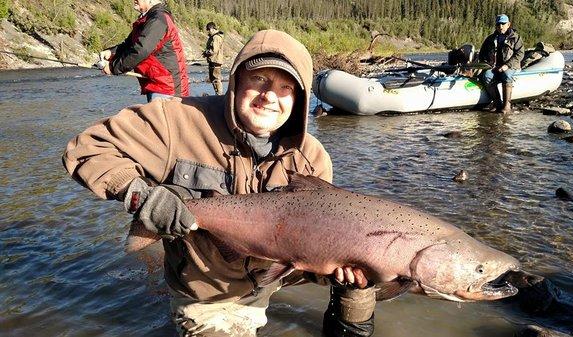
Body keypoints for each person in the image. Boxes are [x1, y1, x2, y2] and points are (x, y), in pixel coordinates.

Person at [63, 29, 375, 337]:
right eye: (259, 79)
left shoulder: (313, 159)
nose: (269, 96)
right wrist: (140, 196)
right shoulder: (180, 120)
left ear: (299, 99)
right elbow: (88, 148)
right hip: (206, 295)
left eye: (285, 87)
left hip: (274, 272)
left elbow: (313, 247)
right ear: (237, 81)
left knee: (369, 276)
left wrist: (346, 269)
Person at [98, 0, 189, 102]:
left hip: (167, 89)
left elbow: (141, 50)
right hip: (157, 84)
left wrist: (113, 67)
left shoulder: (158, 20)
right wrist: (111, 52)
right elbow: (130, 45)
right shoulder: (149, 19)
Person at [478, 14, 524, 114]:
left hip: (511, 66)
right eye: (498, 24)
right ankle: (497, 103)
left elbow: (520, 54)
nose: (501, 26)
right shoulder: (490, 39)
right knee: (486, 76)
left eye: (503, 24)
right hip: (494, 66)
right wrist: (486, 64)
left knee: (506, 75)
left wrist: (507, 65)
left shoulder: (516, 38)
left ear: (508, 24)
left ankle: (507, 105)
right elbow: (482, 54)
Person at [202, 22, 225, 95]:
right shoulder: (214, 37)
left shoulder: (216, 37)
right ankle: (218, 94)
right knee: (213, 79)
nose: (208, 31)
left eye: (208, 29)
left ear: (212, 28)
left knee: (216, 79)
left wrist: (206, 53)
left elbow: (214, 50)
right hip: (214, 60)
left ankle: (219, 95)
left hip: (215, 60)